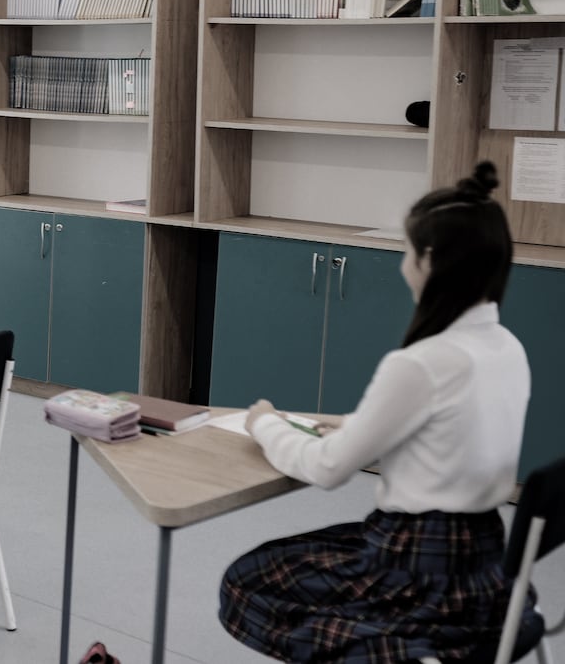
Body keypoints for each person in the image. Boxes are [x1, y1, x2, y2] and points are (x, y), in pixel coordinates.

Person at [220, 162, 537, 662]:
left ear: (430, 260)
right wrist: (356, 424)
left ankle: (401, 652)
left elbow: (328, 469)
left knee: (246, 583)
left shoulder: (420, 363)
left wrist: (265, 425)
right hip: (483, 562)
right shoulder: (507, 347)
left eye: (407, 252)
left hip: (411, 559)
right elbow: (454, 430)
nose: (401, 265)